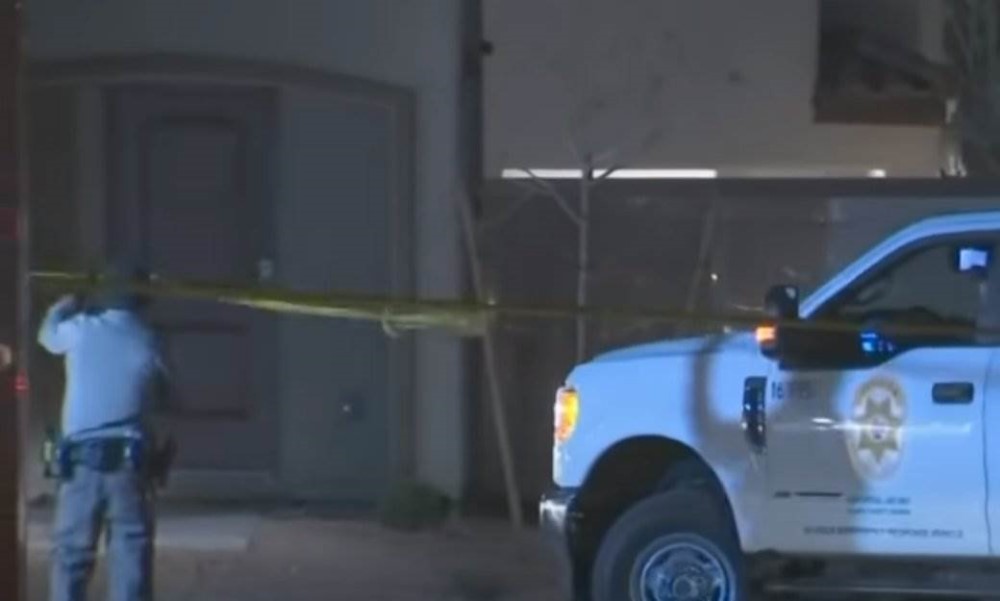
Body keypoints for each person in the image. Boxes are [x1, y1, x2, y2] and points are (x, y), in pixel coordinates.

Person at [38, 261, 169, 601]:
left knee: (71, 554)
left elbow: (46, 336)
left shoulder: (79, 329)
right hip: (129, 462)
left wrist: (68, 301)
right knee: (130, 549)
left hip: (81, 461)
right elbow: (168, 396)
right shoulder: (148, 339)